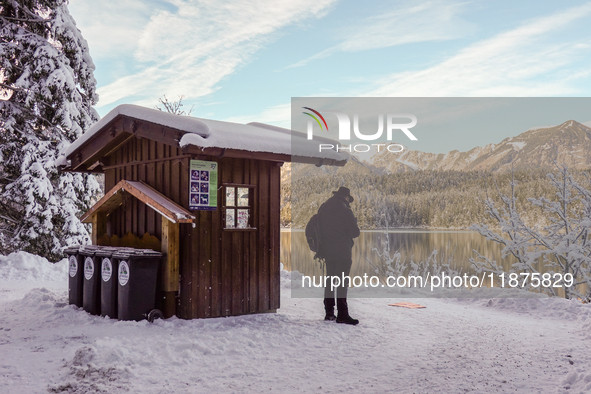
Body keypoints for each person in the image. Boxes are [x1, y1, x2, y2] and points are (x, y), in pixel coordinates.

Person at [318, 186, 360, 325]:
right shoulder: (345, 211)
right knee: (342, 283)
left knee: (330, 281)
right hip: (342, 252)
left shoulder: (324, 208)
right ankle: (342, 314)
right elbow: (355, 233)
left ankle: (329, 312)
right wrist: (354, 221)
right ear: (346, 198)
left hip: (327, 251)